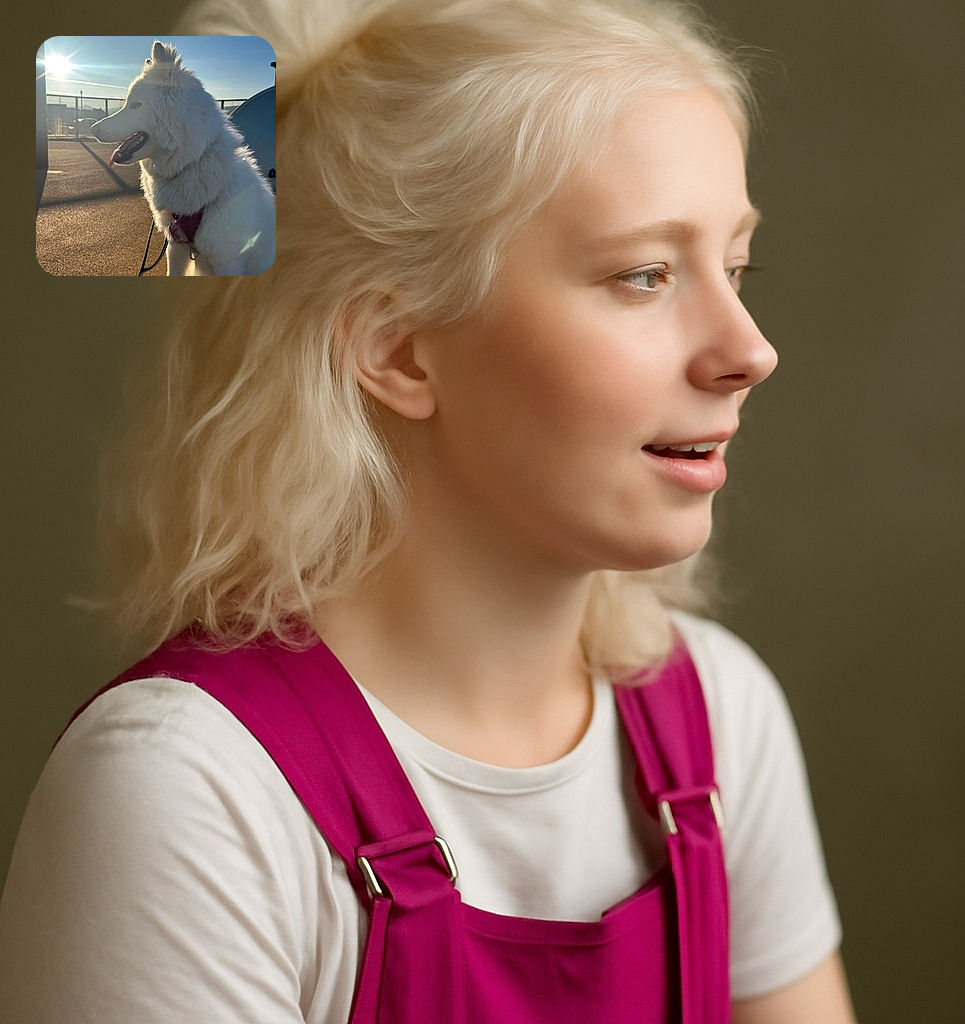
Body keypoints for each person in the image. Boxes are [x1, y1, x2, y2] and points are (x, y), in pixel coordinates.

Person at [0, 0, 857, 1020]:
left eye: (737, 265)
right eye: (645, 275)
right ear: (399, 349)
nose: (749, 350)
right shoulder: (185, 795)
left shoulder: (720, 719)